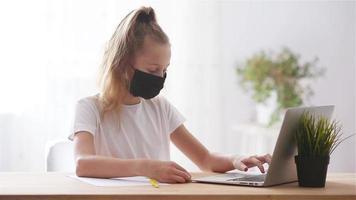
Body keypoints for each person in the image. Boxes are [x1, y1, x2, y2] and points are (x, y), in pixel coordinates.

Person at [69, 6, 272, 184]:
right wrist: (145, 167)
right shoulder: (90, 107)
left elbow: (206, 159)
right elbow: (83, 164)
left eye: (164, 70)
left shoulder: (160, 108)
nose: (160, 78)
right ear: (122, 64)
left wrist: (236, 160)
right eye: (152, 70)